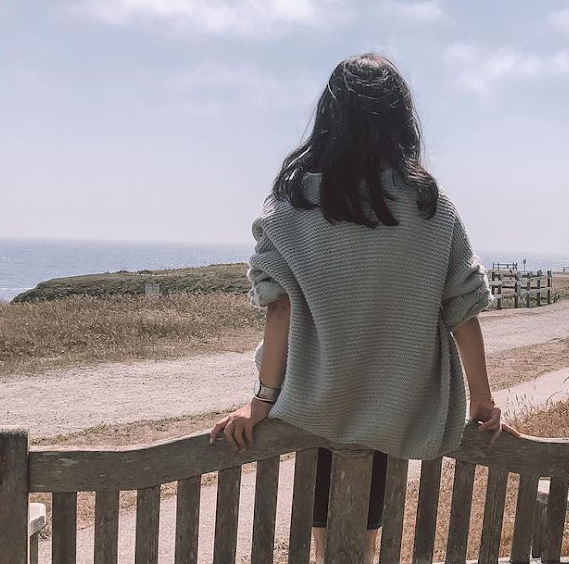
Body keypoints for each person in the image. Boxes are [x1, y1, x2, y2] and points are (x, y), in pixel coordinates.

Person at [209, 52, 518, 564]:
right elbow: (464, 313)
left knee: (326, 540)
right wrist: (482, 401)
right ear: (402, 120)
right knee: (363, 545)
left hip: (314, 405)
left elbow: (279, 309)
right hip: (395, 411)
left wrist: (261, 401)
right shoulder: (432, 209)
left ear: (328, 119)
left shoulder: (292, 206)